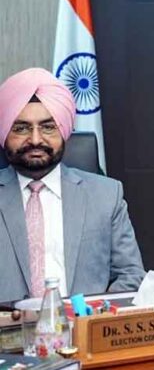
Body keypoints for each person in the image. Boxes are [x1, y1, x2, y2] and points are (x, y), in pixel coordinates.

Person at [0, 68, 144, 302]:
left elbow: (131, 275)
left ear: (64, 131)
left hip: (85, 322)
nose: (35, 139)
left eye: (48, 127)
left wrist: (91, 316)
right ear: (5, 132)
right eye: (21, 128)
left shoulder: (106, 196)